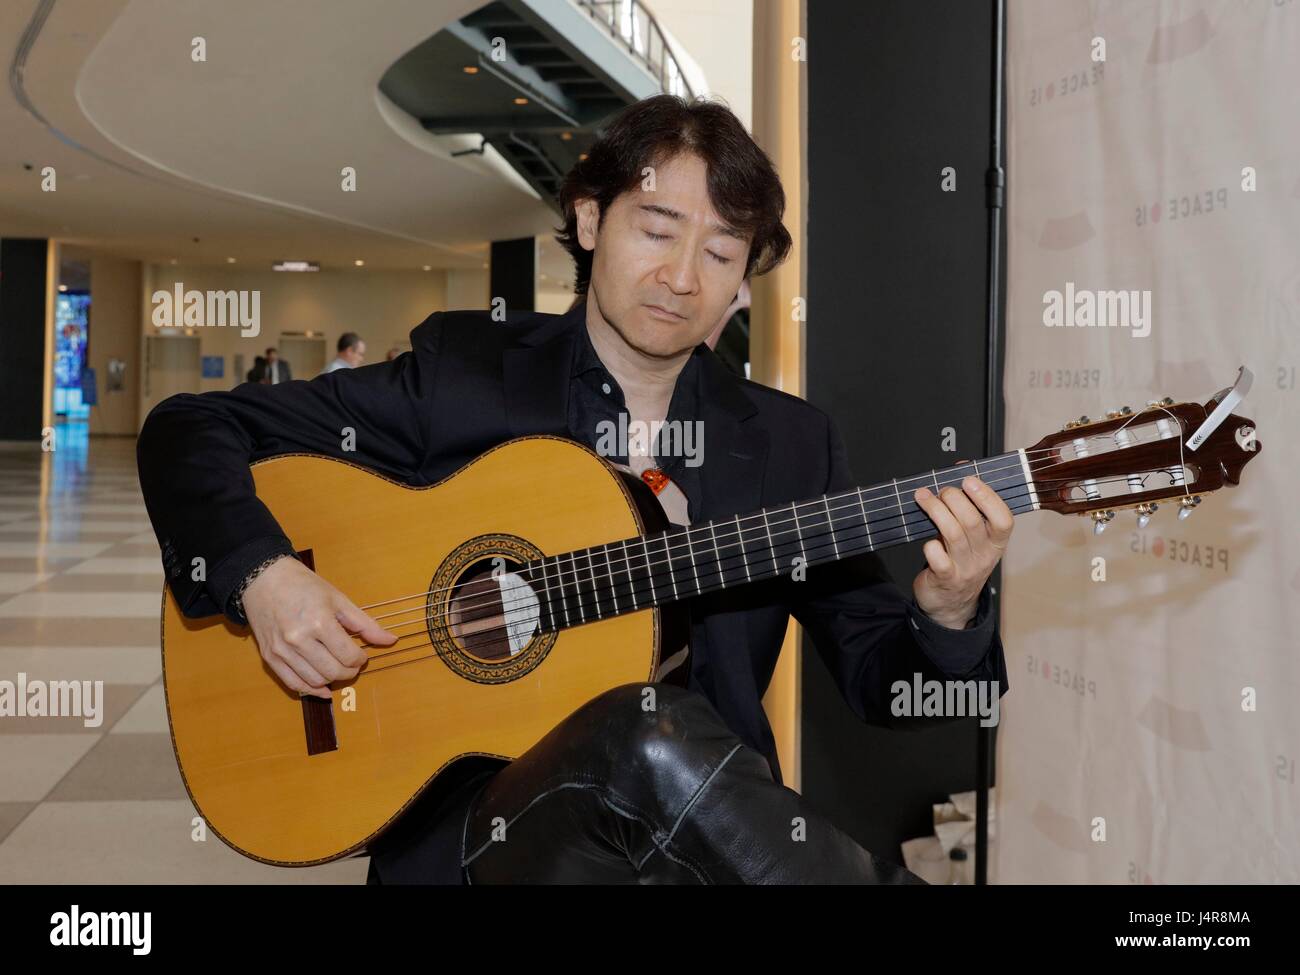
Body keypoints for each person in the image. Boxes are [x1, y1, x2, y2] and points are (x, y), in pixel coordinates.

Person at [137, 94, 1012, 885]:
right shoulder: (466, 375)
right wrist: (265, 576)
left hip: (707, 855)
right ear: (591, 219)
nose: (682, 277)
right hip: (482, 840)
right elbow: (189, 427)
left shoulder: (789, 445)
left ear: (745, 281)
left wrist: (948, 610)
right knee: (643, 724)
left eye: (719, 251)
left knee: (655, 730)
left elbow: (886, 690)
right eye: (657, 229)